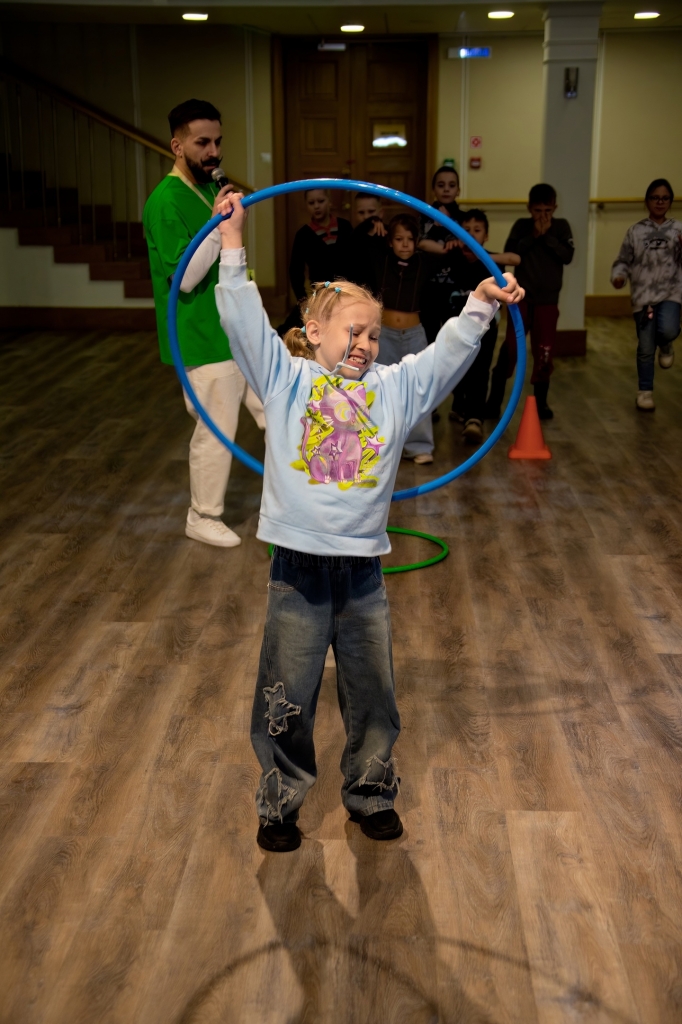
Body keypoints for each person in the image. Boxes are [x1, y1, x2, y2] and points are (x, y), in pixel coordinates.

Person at [213, 191, 524, 853]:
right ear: (312, 331)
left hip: (362, 575)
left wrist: (481, 303)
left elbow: (443, 359)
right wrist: (233, 244)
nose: (365, 344)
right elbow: (242, 322)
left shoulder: (393, 388)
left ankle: (371, 794)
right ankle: (279, 804)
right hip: (297, 572)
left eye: (373, 334)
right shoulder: (285, 380)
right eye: (352, 332)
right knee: (286, 696)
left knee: (374, 695)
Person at [143, 98, 265, 548]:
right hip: (202, 337)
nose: (213, 151)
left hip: (236, 330)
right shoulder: (166, 202)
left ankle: (304, 493)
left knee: (280, 410)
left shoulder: (203, 190)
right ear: (177, 146)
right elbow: (187, 277)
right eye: (202, 143)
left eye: (217, 141)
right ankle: (202, 515)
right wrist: (218, 225)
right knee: (217, 429)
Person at [360, 213, 459, 464]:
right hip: (384, 335)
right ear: (389, 241)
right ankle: (380, 447)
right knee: (379, 389)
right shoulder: (380, 258)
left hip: (415, 336)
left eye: (410, 239)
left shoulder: (423, 262)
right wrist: (372, 223)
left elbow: (451, 255)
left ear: (417, 241)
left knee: (418, 389)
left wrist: (426, 243)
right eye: (398, 239)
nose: (404, 244)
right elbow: (357, 240)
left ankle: (419, 446)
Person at [486, 183, 574, 421]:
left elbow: (568, 256)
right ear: (529, 208)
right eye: (537, 211)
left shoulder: (562, 227)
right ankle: (493, 402)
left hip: (548, 301)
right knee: (511, 348)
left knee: (544, 351)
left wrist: (549, 238)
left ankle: (541, 403)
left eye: (547, 211)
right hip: (521, 300)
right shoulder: (521, 226)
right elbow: (510, 253)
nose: (542, 216)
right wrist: (534, 235)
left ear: (555, 208)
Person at [448, 210, 520, 444]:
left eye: (476, 231)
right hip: (455, 328)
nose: (470, 235)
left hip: (485, 329)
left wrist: (483, 255)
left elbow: (515, 259)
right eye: (466, 230)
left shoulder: (491, 262)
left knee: (480, 369)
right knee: (456, 369)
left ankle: (474, 418)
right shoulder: (452, 257)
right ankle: (459, 405)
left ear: (486, 236)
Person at [611, 178, 682, 411]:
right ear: (647, 201)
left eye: (665, 198)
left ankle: (667, 344)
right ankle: (645, 391)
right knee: (645, 346)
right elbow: (623, 259)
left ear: (670, 201)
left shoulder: (678, 229)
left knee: (668, 329)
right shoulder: (635, 231)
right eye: (655, 198)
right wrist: (619, 276)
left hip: (671, 291)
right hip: (643, 296)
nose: (660, 202)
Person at [277, 189, 354, 338]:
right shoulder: (303, 234)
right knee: (294, 329)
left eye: (321, 201)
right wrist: (302, 298)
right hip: (320, 293)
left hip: (346, 291)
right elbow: (295, 269)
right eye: (311, 203)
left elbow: (356, 260)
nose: (316, 206)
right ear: (306, 205)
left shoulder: (345, 226)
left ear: (329, 201)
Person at [418, 166, 465, 348]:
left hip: (455, 284)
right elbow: (420, 242)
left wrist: (448, 224)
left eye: (451, 185)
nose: (446, 189)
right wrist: (437, 226)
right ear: (433, 189)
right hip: (428, 284)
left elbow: (465, 246)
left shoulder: (464, 218)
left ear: (458, 190)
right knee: (430, 335)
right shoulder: (424, 215)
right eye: (441, 185)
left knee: (453, 336)